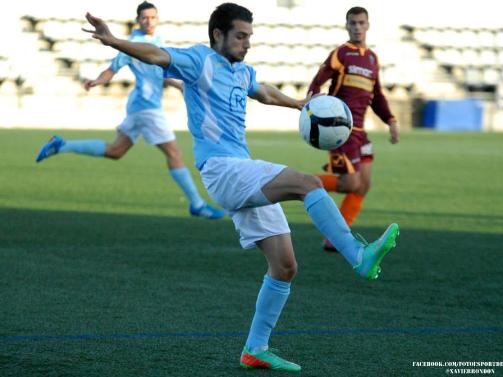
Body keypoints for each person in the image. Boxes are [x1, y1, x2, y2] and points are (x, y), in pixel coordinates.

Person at [82, 3, 399, 372]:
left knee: (284, 267)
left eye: (250, 36)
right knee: (308, 183)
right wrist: (113, 41)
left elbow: (261, 90)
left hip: (241, 168)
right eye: (240, 35)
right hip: (222, 169)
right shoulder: (198, 60)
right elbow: (155, 53)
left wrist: (297, 103)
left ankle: (255, 349)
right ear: (218, 34)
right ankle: (357, 257)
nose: (247, 43)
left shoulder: (242, 70)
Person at [36, 1, 225, 220]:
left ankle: (62, 145)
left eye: (153, 17)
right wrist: (97, 81)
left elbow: (159, 74)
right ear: (138, 20)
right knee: (174, 153)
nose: (149, 21)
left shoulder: (157, 41)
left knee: (116, 151)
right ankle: (197, 204)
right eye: (145, 17)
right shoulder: (133, 44)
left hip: (139, 106)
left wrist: (179, 85)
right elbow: (112, 69)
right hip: (147, 108)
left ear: (158, 19)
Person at [308, 6, 399, 251]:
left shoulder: (372, 59)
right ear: (347, 25)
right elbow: (319, 78)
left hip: (361, 132)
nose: (357, 27)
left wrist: (390, 120)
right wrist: (312, 98)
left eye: (361, 23)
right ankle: (302, 182)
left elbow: (376, 94)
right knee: (349, 183)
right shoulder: (341, 54)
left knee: (363, 184)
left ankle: (335, 237)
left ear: (367, 25)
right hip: (340, 131)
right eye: (353, 23)